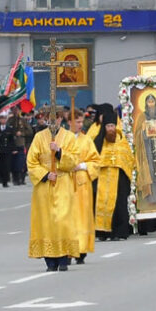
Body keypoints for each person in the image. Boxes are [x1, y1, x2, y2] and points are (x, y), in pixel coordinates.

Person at [27, 108, 80, 272]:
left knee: (62, 220)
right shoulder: (38, 137)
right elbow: (31, 162)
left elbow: (74, 161)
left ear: (60, 120)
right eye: (49, 119)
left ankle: (64, 258)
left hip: (63, 183)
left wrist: (59, 152)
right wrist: (44, 175)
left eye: (55, 119)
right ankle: (50, 260)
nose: (52, 122)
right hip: (44, 186)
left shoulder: (69, 137)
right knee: (46, 222)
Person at [93, 108, 135, 241]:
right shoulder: (98, 141)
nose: (110, 129)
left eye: (112, 126)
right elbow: (93, 158)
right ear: (104, 127)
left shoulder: (122, 141)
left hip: (119, 178)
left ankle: (119, 231)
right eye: (108, 126)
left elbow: (128, 158)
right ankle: (103, 232)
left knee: (119, 204)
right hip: (102, 177)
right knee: (101, 203)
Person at [71, 110, 100, 264]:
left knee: (81, 216)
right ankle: (67, 248)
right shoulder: (62, 139)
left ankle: (81, 249)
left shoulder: (86, 140)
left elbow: (96, 161)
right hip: (66, 183)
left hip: (82, 184)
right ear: (69, 122)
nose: (80, 125)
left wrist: (82, 165)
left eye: (82, 122)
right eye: (77, 122)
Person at [0, 112, 14, 187]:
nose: (3, 120)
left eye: (4, 118)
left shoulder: (9, 129)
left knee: (6, 166)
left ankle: (5, 181)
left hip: (7, 150)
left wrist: (12, 148)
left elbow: (11, 140)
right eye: (1, 118)